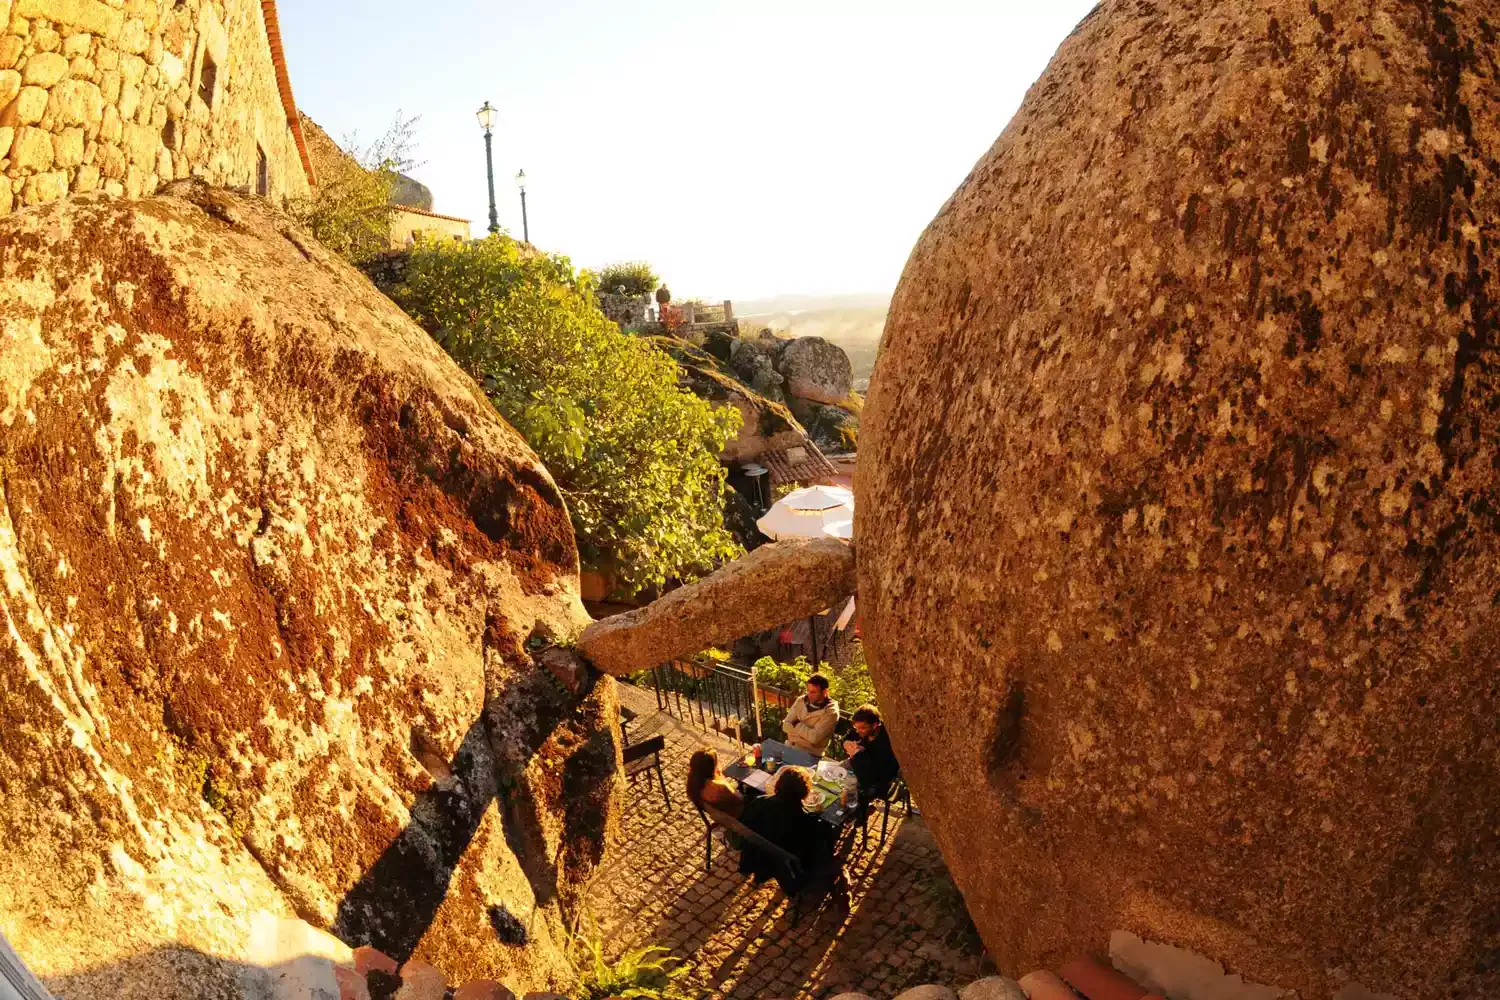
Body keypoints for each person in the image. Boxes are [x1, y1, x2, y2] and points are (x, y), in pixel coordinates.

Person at [738, 766, 833, 889]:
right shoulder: (805, 820)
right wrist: (819, 815)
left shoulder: (759, 802)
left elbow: (748, 825)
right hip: (787, 863)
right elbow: (816, 839)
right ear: (804, 793)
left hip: (759, 855)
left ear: (779, 785)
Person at [841, 704, 899, 802]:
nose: (858, 731)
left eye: (863, 728)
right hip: (858, 766)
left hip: (877, 781)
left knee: (848, 795)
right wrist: (846, 743)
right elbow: (848, 737)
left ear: (875, 725)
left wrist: (857, 754)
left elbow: (870, 776)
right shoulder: (860, 728)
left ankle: (862, 812)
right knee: (832, 773)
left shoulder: (887, 741)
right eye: (856, 727)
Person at [781, 674, 839, 758]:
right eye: (808, 690)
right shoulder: (801, 700)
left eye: (813, 692)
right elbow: (785, 726)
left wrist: (796, 724)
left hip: (810, 755)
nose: (809, 694)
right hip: (789, 747)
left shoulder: (831, 712)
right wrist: (806, 732)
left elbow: (814, 738)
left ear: (825, 692)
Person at [686, 748, 744, 818]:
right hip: (741, 816)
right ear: (711, 769)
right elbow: (741, 799)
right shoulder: (720, 788)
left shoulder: (692, 786)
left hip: (726, 817)